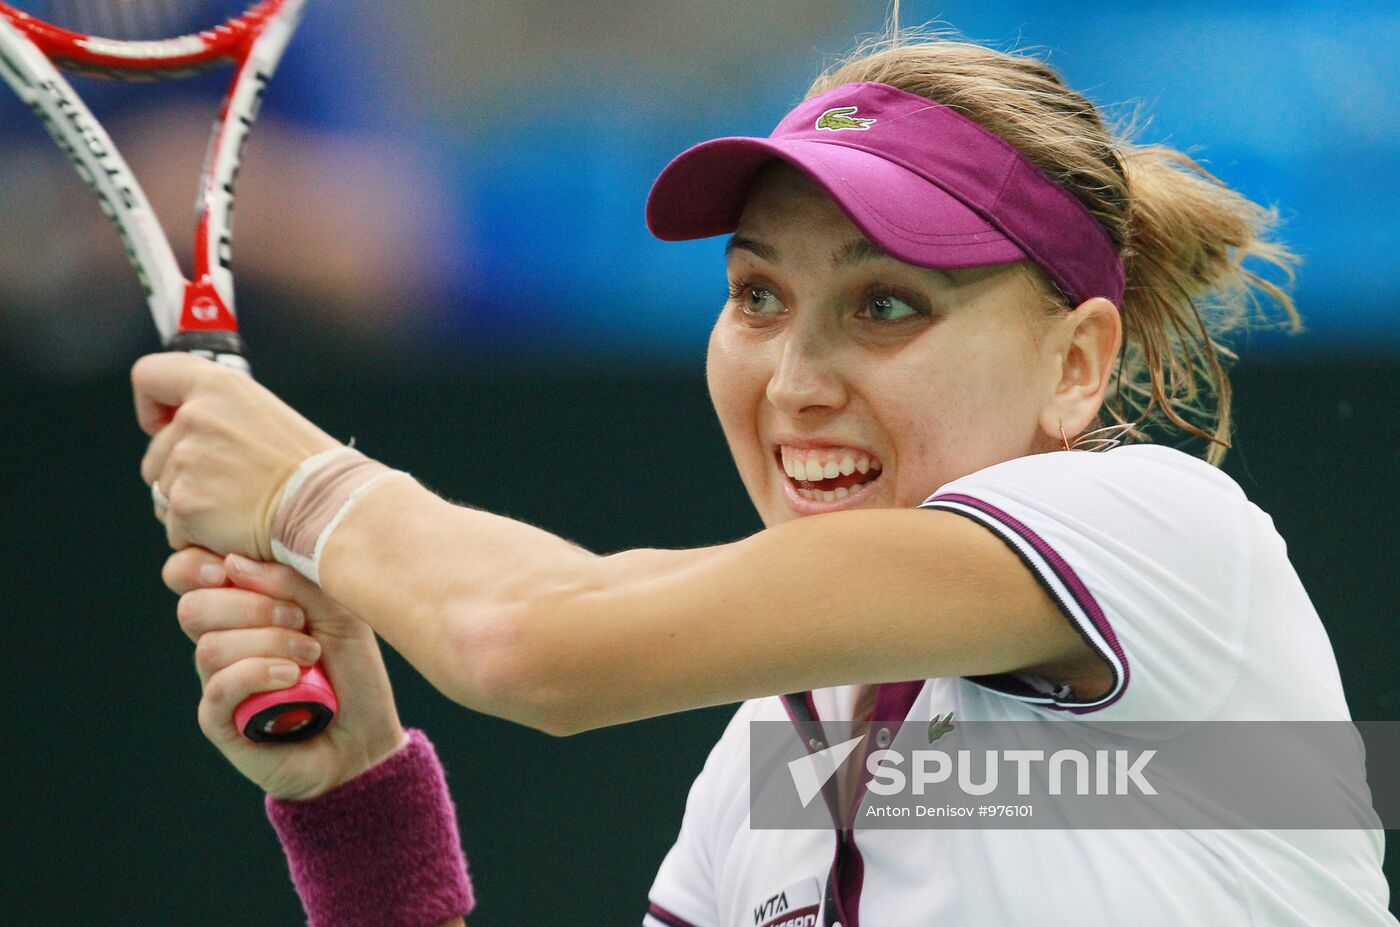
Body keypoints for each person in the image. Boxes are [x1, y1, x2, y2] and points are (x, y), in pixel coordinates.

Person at [138, 31, 1394, 927]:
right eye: (756, 297)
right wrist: (361, 807)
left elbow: (530, 641)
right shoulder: (780, 767)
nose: (794, 376)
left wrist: (302, 487)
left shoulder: (1157, 530)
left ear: (1076, 366)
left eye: (885, 303)